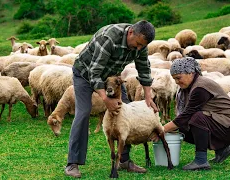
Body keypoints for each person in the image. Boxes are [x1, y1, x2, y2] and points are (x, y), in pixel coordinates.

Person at [65, 20, 159, 178]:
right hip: (85, 73)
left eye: (142, 46)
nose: (138, 49)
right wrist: (105, 99)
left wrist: (148, 97)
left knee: (125, 112)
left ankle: (123, 160)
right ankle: (72, 163)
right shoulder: (108, 38)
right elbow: (94, 73)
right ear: (130, 33)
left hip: (112, 78)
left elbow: (144, 68)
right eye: (136, 44)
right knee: (83, 112)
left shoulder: (141, 44)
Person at [156, 57, 230, 171]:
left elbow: (188, 114)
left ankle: (201, 161)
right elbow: (183, 117)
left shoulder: (200, 87)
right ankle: (222, 149)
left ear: (191, 73)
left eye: (179, 78)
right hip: (223, 121)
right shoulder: (191, 86)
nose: (177, 82)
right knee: (183, 127)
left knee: (197, 118)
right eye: (175, 79)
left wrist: (162, 130)